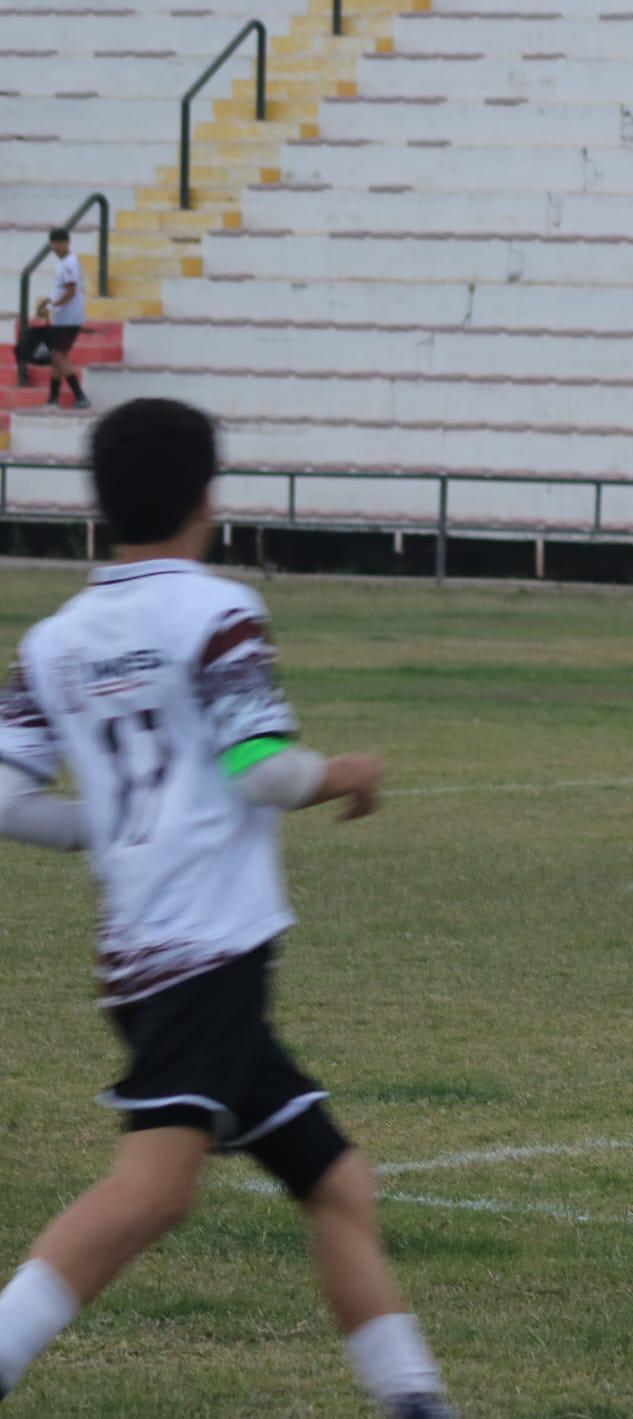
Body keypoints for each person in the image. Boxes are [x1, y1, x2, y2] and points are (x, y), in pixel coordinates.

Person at [0, 399, 454, 1417]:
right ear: (209, 496)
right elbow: (257, 769)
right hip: (204, 952)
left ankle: (416, 1401)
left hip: (147, 954)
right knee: (154, 1190)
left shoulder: (56, 642)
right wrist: (344, 770)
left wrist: (104, 827)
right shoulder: (216, 612)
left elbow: (1, 794)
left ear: (99, 505)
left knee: (337, 1183)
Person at [43, 227, 90, 411]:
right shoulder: (63, 263)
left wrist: (52, 306)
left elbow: (70, 291)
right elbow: (61, 291)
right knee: (55, 357)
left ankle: (80, 396)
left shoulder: (70, 263)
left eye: (59, 243)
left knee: (59, 355)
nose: (56, 247)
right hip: (62, 318)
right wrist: (50, 303)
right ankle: (53, 397)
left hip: (68, 318)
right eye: (53, 243)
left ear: (66, 243)